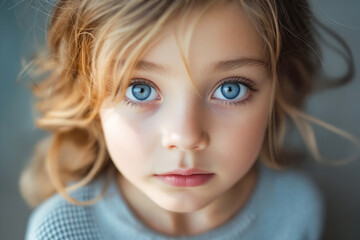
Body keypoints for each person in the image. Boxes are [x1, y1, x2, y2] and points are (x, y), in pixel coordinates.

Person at [20, 0, 356, 239]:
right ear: (87, 94)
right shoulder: (62, 231)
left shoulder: (296, 210)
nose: (185, 135)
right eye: (139, 89)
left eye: (230, 89)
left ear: (278, 89)